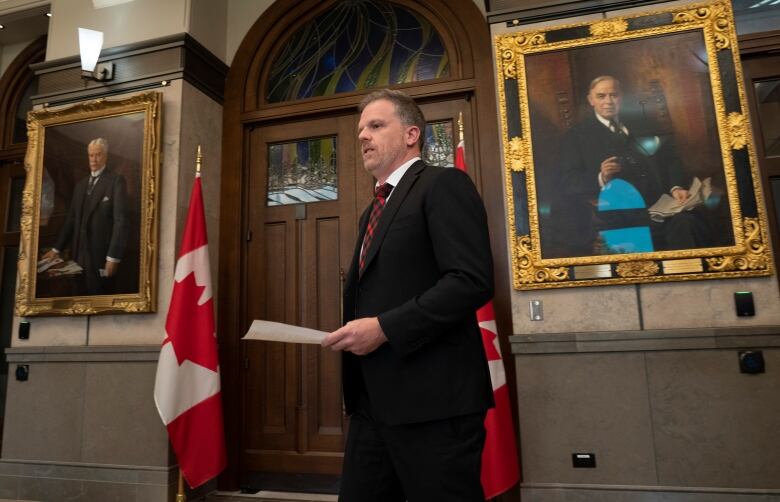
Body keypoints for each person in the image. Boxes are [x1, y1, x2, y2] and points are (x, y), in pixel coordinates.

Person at [322, 89, 495, 501]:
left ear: (412, 133)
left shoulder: (442, 184)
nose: (363, 135)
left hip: (434, 405)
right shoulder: (372, 210)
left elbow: (470, 280)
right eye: (361, 128)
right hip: (372, 405)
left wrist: (384, 328)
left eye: (376, 125)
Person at [556, 75, 720, 255]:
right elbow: (568, 181)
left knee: (689, 224)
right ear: (591, 100)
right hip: (619, 213)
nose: (608, 102)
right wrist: (601, 177)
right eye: (601, 96)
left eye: (614, 95)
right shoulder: (577, 136)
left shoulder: (643, 124)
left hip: (660, 206)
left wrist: (676, 187)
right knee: (635, 251)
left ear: (621, 97)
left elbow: (669, 159)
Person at [43, 138, 128, 295]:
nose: (94, 160)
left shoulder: (116, 181)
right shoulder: (80, 186)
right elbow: (71, 220)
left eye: (98, 155)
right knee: (77, 295)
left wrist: (113, 258)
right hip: (77, 255)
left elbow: (120, 222)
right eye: (91, 155)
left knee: (100, 296)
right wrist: (56, 249)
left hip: (101, 256)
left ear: (106, 157)